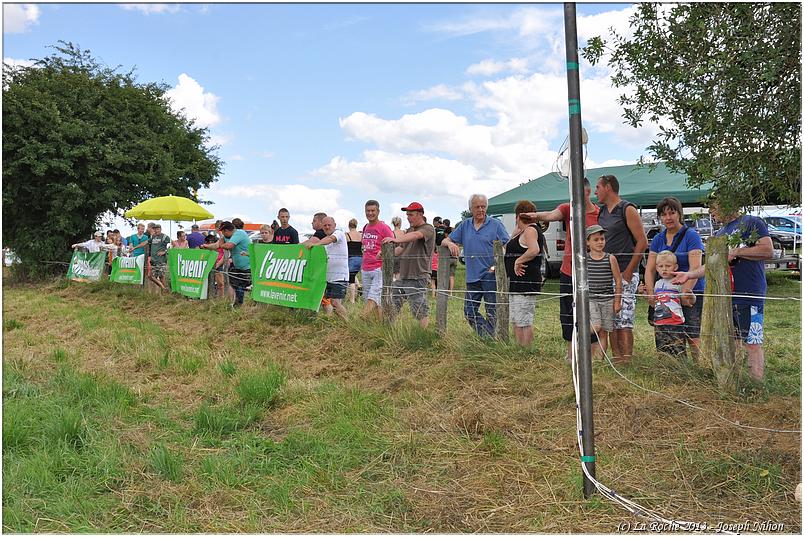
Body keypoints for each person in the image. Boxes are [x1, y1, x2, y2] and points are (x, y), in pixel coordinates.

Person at [675, 199, 774, 380]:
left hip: (749, 293)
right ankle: (735, 382)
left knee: (752, 342)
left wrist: (737, 252)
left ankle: (757, 384)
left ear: (728, 203)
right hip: (727, 296)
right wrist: (690, 275)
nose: (712, 212)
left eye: (714, 207)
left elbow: (768, 250)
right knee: (733, 342)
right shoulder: (720, 232)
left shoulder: (752, 222)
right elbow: (713, 264)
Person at [523, 178, 601, 361]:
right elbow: (551, 215)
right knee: (567, 313)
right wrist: (535, 216)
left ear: (587, 192)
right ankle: (571, 354)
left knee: (592, 312)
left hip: (591, 272)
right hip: (568, 271)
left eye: (576, 192)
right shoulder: (568, 209)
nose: (572, 196)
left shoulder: (599, 213)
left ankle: (594, 355)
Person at [595, 174, 648, 363]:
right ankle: (617, 358)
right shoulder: (602, 212)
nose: (595, 191)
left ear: (608, 187)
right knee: (611, 319)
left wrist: (629, 271)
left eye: (598, 187)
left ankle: (627, 359)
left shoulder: (627, 208)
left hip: (625, 270)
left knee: (624, 319)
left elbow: (642, 241)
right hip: (607, 272)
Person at [442, 194, 510, 338]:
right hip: (472, 276)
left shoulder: (495, 224)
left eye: (483, 206)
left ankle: (490, 339)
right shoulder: (465, 225)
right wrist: (450, 243)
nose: (480, 209)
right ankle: (488, 335)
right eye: (477, 207)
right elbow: (445, 241)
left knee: (492, 311)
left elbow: (507, 244)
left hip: (490, 275)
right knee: (469, 312)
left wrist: (497, 266)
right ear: (470, 209)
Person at [645, 196, 705, 358]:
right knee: (669, 332)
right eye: (664, 215)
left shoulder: (691, 236)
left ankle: (700, 367)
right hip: (665, 294)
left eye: (671, 213)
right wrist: (651, 294)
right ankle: (674, 367)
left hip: (691, 291)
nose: (668, 218)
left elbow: (695, 267)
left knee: (693, 333)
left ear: (679, 214)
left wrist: (685, 293)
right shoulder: (658, 239)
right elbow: (650, 269)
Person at [381, 202, 435, 328]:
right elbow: (401, 249)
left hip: (418, 275)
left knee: (419, 307)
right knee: (393, 302)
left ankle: (423, 334)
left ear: (420, 214)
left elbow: (416, 235)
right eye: (407, 215)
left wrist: (395, 239)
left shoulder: (428, 228)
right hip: (403, 275)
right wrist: (386, 253)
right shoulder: (410, 230)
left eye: (411, 214)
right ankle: (388, 330)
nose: (408, 217)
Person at [503, 201, 544, 346]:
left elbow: (534, 250)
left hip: (525, 282)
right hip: (516, 284)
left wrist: (517, 261)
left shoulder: (530, 230)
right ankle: (519, 348)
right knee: (516, 319)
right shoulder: (522, 231)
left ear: (518, 216)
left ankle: (526, 349)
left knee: (524, 321)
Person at [586, 224, 622, 360]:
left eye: (602, 239)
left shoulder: (610, 258)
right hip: (591, 299)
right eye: (596, 239)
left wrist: (617, 301)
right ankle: (580, 333)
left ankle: (599, 360)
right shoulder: (584, 259)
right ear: (587, 242)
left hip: (607, 299)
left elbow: (618, 280)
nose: (600, 242)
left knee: (604, 332)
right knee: (596, 326)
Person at [303, 217, 349, 320]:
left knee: (335, 303)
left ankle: (348, 324)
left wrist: (315, 244)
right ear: (322, 227)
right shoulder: (325, 243)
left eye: (329, 225)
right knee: (328, 302)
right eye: (325, 226)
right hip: (328, 277)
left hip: (340, 276)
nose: (327, 227)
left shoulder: (339, 234)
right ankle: (335, 323)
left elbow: (331, 239)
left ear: (335, 225)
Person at [360, 199, 395, 320]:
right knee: (375, 301)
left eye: (373, 211)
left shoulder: (384, 227)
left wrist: (383, 251)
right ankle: (379, 326)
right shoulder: (365, 227)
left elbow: (393, 243)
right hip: (365, 268)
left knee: (373, 297)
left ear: (378, 211)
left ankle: (361, 319)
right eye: (368, 211)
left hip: (379, 268)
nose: (370, 213)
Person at [652, 251, 690, 357]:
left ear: (675, 267)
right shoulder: (657, 284)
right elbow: (654, 301)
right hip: (660, 322)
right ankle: (665, 369)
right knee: (662, 349)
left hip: (675, 322)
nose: (664, 269)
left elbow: (686, 300)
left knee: (678, 348)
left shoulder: (678, 282)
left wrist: (690, 296)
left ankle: (680, 369)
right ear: (657, 268)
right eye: (661, 266)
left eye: (668, 266)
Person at [209, 221, 250, 308]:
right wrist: (205, 246)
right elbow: (217, 245)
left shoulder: (239, 233)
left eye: (223, 231)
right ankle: (236, 304)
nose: (222, 233)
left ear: (227, 230)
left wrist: (221, 244)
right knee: (235, 285)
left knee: (242, 286)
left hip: (248, 266)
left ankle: (242, 305)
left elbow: (229, 246)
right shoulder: (227, 236)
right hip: (237, 266)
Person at [148, 224, 170, 291]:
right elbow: (146, 242)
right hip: (154, 261)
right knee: (150, 276)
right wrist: (135, 247)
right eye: (155, 229)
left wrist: (165, 251)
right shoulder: (153, 237)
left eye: (157, 229)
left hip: (161, 261)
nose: (156, 230)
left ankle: (164, 291)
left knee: (161, 277)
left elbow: (173, 244)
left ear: (160, 229)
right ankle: (164, 289)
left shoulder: (165, 237)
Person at [345, 218, 363, 304]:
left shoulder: (347, 235)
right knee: (354, 274)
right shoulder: (361, 235)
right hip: (360, 257)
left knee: (351, 279)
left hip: (351, 257)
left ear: (349, 225)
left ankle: (352, 300)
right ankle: (359, 286)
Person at [390, 216, 404, 281]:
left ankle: (393, 289)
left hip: (393, 255)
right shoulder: (404, 233)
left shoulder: (391, 233)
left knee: (392, 274)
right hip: (402, 255)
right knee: (399, 274)